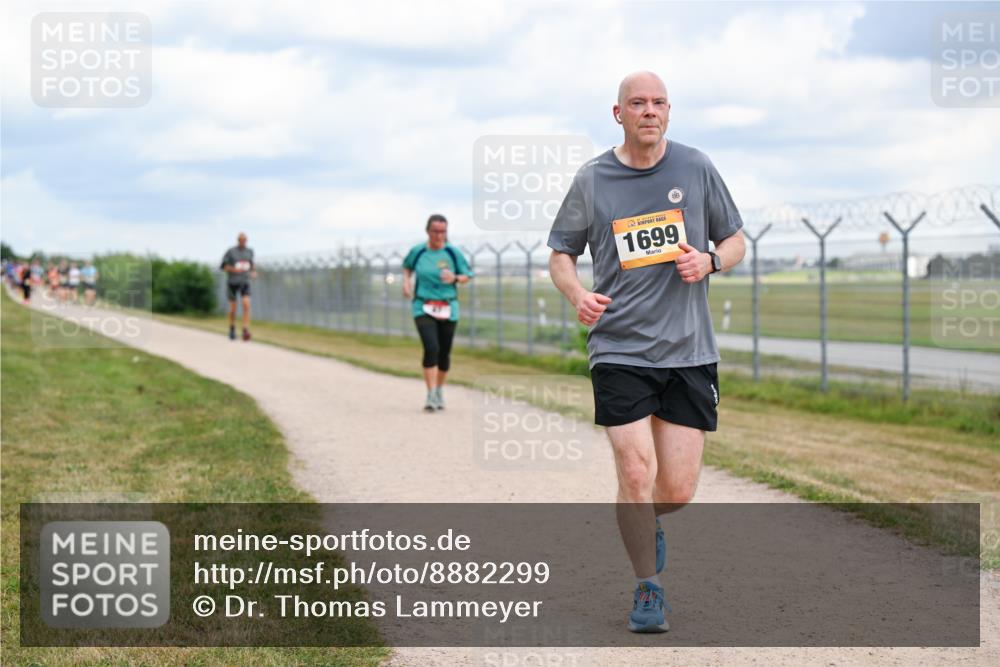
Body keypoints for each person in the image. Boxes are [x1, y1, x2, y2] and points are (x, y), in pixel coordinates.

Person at [547, 71, 746, 633]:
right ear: (619, 114)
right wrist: (577, 294)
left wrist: (710, 261)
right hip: (619, 347)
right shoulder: (593, 180)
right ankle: (648, 588)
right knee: (636, 470)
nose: (649, 111)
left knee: (675, 491)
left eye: (659, 103)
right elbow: (561, 252)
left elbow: (735, 240)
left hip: (688, 351)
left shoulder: (697, 167)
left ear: (669, 112)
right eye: (638, 103)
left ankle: (640, 520)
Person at [402, 214, 473, 411]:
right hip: (423, 306)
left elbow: (468, 275)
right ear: (428, 231)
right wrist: (406, 282)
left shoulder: (452, 253)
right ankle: (431, 394)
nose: (439, 235)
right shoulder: (418, 252)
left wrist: (455, 277)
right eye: (435, 231)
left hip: (448, 307)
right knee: (431, 347)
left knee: (444, 352)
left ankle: (440, 390)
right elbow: (407, 267)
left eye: (443, 231)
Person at [220, 232, 256, 341]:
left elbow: (251, 264)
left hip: (244, 281)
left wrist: (253, 271)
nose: (243, 242)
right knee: (233, 308)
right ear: (238, 240)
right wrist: (235, 270)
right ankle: (232, 328)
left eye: (245, 240)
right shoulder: (231, 252)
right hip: (233, 282)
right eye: (241, 240)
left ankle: (245, 329)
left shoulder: (249, 252)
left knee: (246, 305)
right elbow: (224, 266)